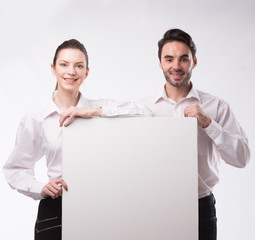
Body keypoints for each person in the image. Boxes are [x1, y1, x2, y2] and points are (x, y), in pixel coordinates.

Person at [3, 39, 152, 240]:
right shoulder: (37, 118)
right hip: (56, 210)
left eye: (78, 66)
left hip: (101, 207)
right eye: (64, 64)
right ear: (53, 69)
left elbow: (145, 114)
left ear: (86, 72)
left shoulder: (101, 107)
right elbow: (15, 169)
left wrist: (91, 112)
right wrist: (41, 188)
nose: (71, 71)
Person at [140, 28, 250, 240]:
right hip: (154, 206)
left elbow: (242, 157)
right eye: (169, 59)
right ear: (160, 63)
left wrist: (209, 124)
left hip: (200, 207)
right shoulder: (145, 108)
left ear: (194, 62)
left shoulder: (216, 106)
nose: (176, 66)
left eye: (183, 59)